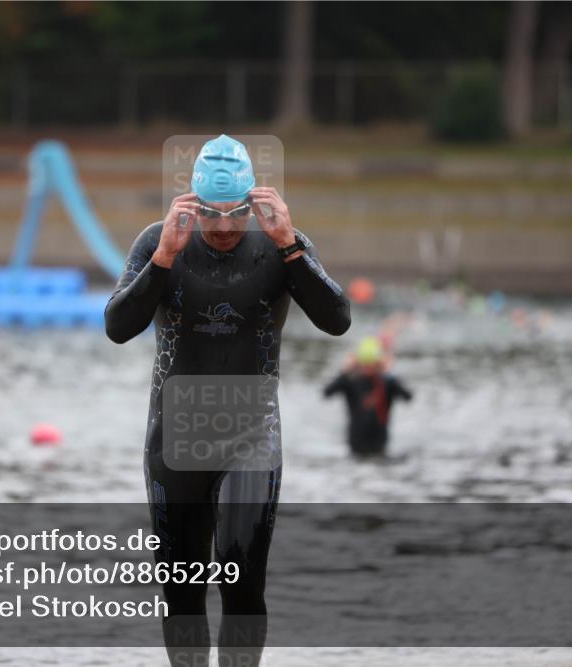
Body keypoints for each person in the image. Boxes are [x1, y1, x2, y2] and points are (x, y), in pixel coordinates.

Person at [105, 134, 350, 667]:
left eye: (234, 214)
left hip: (251, 434)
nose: (220, 227)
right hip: (174, 438)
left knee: (240, 574)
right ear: (191, 201)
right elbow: (117, 327)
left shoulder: (283, 243)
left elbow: (337, 320)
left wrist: (291, 246)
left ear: (253, 203)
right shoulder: (158, 240)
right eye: (210, 214)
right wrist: (166, 257)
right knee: (182, 592)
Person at [323, 335, 413, 457]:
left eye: (372, 364)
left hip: (380, 447)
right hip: (355, 447)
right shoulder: (350, 381)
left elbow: (408, 397)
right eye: (365, 363)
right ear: (359, 363)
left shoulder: (387, 383)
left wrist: (390, 374)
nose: (369, 368)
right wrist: (345, 371)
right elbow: (327, 393)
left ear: (378, 364)